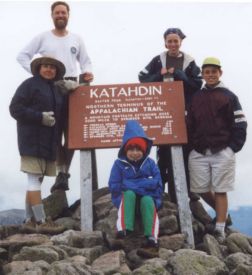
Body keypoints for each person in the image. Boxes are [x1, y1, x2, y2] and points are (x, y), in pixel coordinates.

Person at [17, 1, 94, 193]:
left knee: (72, 134)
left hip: (72, 86)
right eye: (57, 12)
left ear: (69, 15)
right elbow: (22, 56)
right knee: (53, 131)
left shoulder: (77, 38)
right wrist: (38, 75)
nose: (61, 15)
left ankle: (62, 173)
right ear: (52, 15)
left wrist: (87, 73)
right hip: (51, 86)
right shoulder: (43, 37)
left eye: (64, 12)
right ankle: (40, 177)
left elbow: (85, 62)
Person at [138, 27, 202, 203]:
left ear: (181, 42)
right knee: (164, 153)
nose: (173, 44)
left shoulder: (189, 61)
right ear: (165, 42)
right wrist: (159, 74)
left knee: (186, 152)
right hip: (164, 112)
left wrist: (179, 74)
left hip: (185, 112)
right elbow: (142, 78)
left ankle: (186, 191)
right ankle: (161, 190)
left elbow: (197, 84)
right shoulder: (158, 60)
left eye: (176, 41)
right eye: (170, 41)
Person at [187, 57, 247, 242]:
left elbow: (240, 123)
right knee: (200, 188)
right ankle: (224, 215)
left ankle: (220, 228)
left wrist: (232, 148)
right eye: (207, 72)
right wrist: (192, 147)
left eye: (214, 71)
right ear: (203, 74)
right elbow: (189, 124)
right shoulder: (196, 97)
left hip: (223, 150)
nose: (210, 75)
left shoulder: (229, 96)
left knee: (221, 190)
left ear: (220, 73)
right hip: (199, 151)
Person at [9, 56, 67, 234]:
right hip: (31, 140)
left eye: (52, 67)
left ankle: (28, 220)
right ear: (39, 68)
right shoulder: (29, 85)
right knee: (34, 179)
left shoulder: (55, 89)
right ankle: (41, 222)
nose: (49, 69)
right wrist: (39, 117)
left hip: (48, 143)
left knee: (36, 180)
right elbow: (15, 108)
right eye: (46, 66)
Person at [108, 120, 163, 257]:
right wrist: (143, 184)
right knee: (129, 194)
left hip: (147, 198)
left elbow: (157, 184)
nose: (135, 153)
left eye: (138, 149)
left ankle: (151, 240)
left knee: (147, 200)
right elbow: (114, 185)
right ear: (125, 149)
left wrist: (131, 183)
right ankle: (122, 233)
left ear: (143, 151)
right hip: (128, 200)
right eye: (131, 149)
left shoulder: (150, 164)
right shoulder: (118, 164)